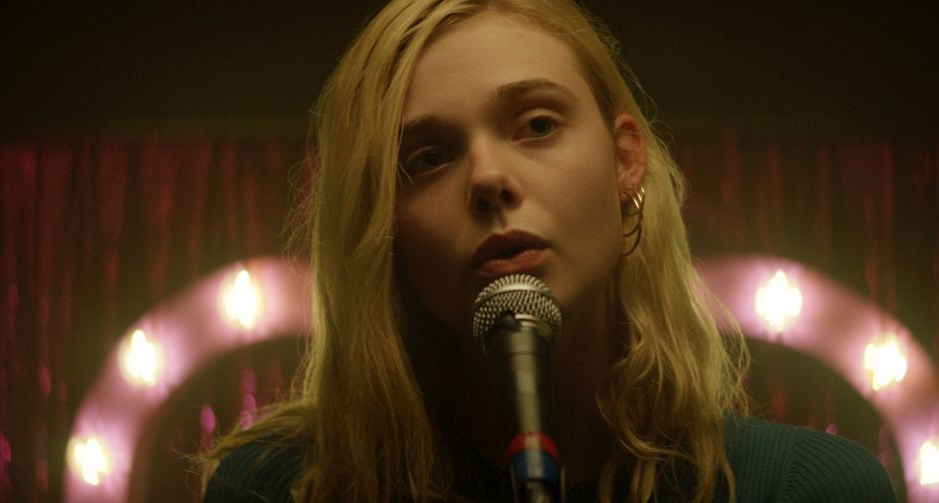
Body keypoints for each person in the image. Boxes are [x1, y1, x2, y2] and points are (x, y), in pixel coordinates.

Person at [201, 0, 897, 501]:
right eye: (429, 157)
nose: (488, 179)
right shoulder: (279, 487)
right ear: (381, 222)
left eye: (536, 125)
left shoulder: (802, 487)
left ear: (625, 160)